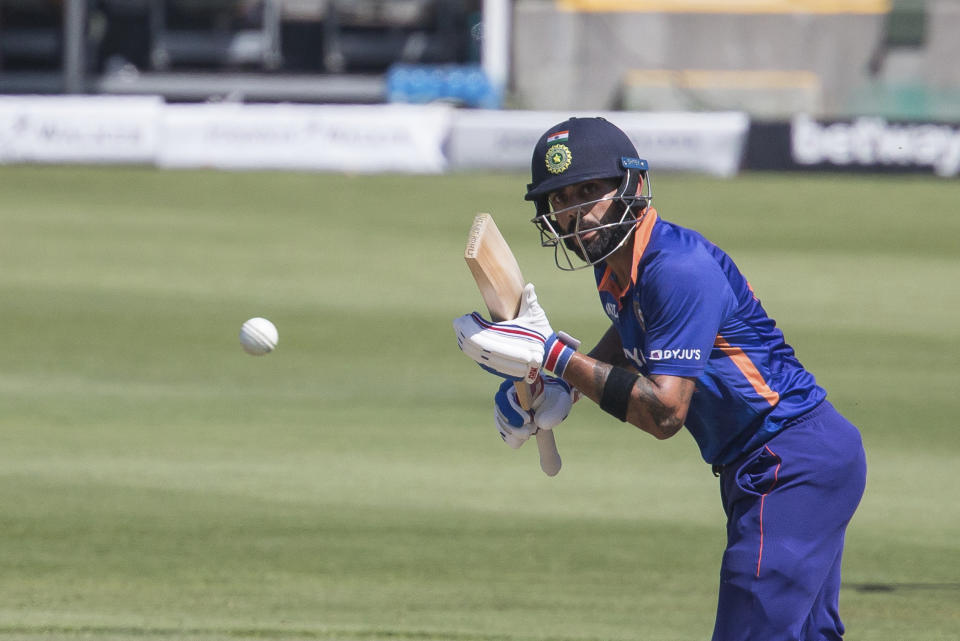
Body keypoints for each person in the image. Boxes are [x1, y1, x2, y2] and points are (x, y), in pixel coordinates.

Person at [453, 117, 867, 641]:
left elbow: (665, 412)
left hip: (790, 463)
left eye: (589, 191)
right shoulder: (621, 267)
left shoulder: (675, 268)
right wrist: (565, 385)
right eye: (560, 199)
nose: (576, 212)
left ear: (632, 186)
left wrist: (553, 356)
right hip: (775, 462)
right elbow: (634, 339)